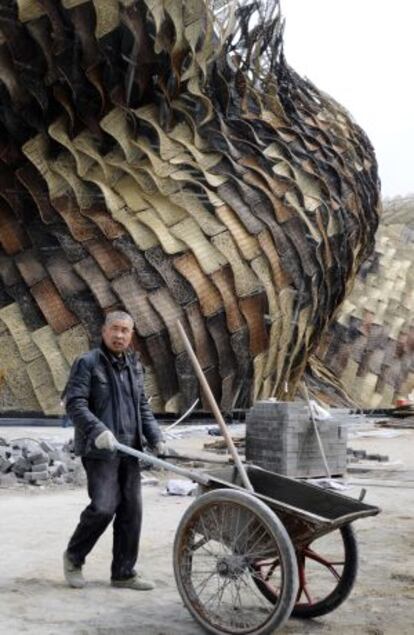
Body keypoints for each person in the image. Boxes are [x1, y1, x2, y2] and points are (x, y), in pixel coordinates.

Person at [63, 310, 165, 591]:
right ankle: (73, 557)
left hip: (129, 450)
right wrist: (98, 431)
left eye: (125, 331)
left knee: (132, 511)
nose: (120, 335)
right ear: (104, 332)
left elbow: (142, 406)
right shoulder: (87, 363)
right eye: (115, 329)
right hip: (100, 450)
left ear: (131, 336)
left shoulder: (134, 365)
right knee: (104, 507)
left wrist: (156, 437)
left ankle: (123, 573)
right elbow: (75, 404)